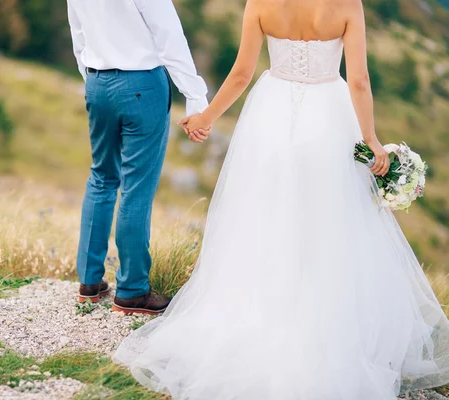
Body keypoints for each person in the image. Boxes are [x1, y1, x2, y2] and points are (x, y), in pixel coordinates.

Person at [113, 0, 449, 398]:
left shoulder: (261, 2)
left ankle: (261, 315)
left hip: (270, 120)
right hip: (328, 120)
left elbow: (241, 75)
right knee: (327, 222)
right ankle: (321, 324)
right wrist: (371, 140)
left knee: (264, 218)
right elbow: (358, 80)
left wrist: (206, 118)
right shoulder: (346, 5)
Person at [66, 0, 210, 314]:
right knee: (136, 189)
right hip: (142, 85)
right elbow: (170, 35)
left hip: (97, 81)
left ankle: (90, 282)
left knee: (101, 178)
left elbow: (79, 35)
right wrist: (195, 96)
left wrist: (93, 80)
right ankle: (131, 290)